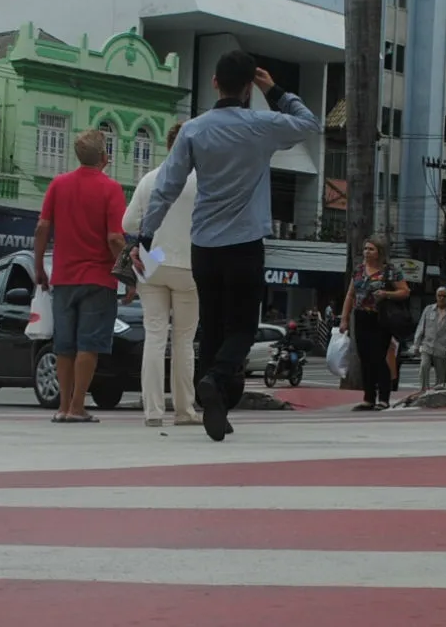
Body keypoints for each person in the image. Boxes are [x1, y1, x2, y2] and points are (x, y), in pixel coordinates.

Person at [139, 50, 320, 441]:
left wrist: (147, 231)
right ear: (247, 87)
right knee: (242, 325)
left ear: (215, 82)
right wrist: (275, 91)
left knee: (214, 324)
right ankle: (218, 379)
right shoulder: (261, 125)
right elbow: (308, 124)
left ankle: (215, 400)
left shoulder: (193, 130)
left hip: (203, 246)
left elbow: (168, 183)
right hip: (244, 245)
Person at [33, 129, 126, 424]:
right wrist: (130, 275)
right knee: (89, 344)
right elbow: (114, 238)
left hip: (63, 278)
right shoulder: (111, 189)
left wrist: (38, 267)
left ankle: (62, 407)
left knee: (64, 344)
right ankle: (77, 406)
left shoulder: (58, 185)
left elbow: (42, 228)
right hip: (98, 279)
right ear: (105, 157)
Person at [123, 122, 199, 429]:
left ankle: (152, 411)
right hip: (189, 264)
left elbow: (129, 224)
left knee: (154, 336)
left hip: (151, 260)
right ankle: (185, 410)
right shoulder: (203, 181)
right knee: (183, 340)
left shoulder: (150, 179)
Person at [342, 238, 409, 411]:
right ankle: (368, 398)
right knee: (364, 358)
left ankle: (384, 398)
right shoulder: (358, 270)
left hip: (381, 318)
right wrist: (344, 319)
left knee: (378, 358)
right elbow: (350, 295)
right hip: (361, 316)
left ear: (379, 252)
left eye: (371, 249)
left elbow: (404, 291)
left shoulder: (390, 271)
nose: (367, 252)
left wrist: (386, 294)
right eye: (365, 249)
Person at [412, 287, 446, 390]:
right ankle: (424, 389)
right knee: (424, 366)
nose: (441, 298)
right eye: (439, 295)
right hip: (427, 345)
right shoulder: (428, 309)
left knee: (440, 374)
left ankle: (438, 391)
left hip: (442, 348)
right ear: (436, 296)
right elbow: (421, 327)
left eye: (444, 296)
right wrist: (416, 345)